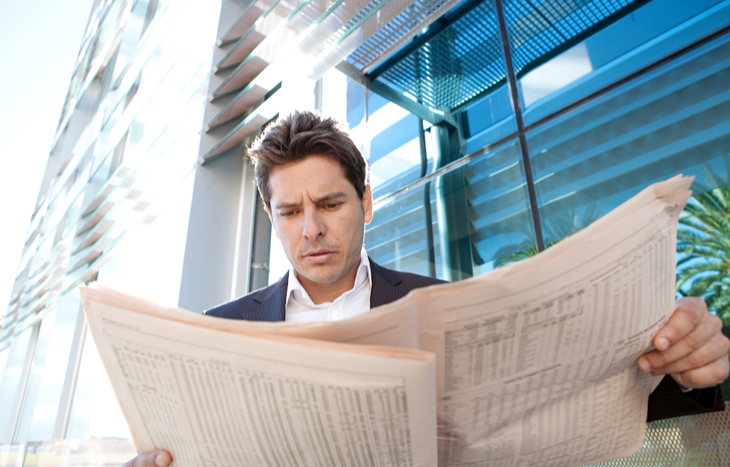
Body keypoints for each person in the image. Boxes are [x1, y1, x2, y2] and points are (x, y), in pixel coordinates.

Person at [123, 110, 730, 467]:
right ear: (272, 217)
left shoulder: (446, 306)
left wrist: (687, 370)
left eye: (331, 203)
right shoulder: (216, 330)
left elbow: (579, 396)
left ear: (364, 202)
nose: (311, 230)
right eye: (289, 212)